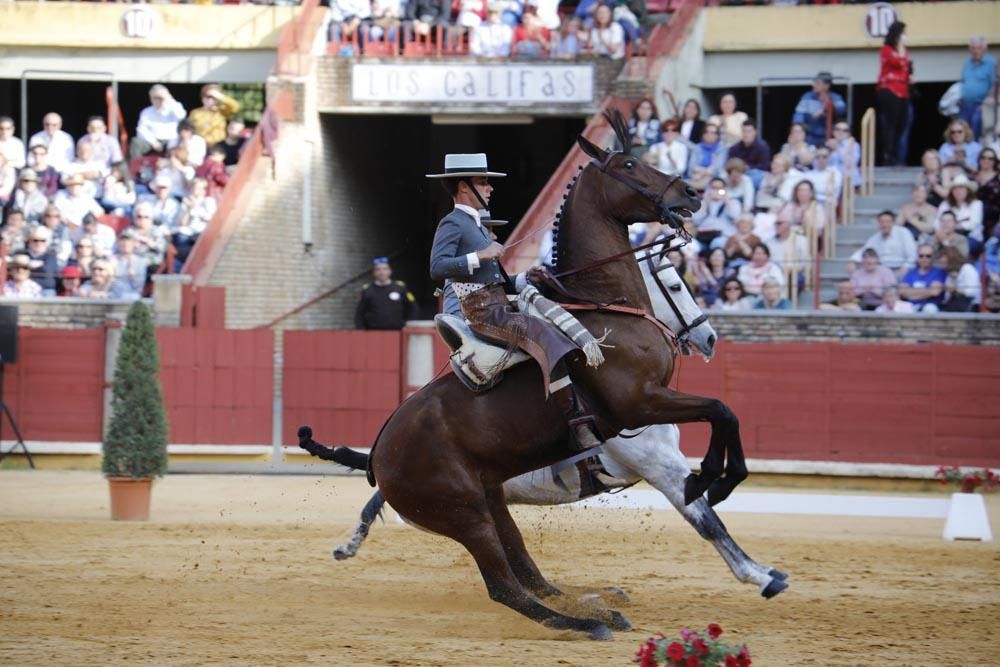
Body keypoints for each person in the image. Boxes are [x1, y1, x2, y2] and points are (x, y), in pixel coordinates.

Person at [426, 152, 605, 453]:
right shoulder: (453, 222)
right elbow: (437, 267)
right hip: (484, 312)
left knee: (552, 328)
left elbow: (496, 279)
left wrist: (526, 278)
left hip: (496, 305)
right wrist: (479, 256)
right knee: (548, 337)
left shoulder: (477, 225)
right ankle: (579, 426)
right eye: (483, 182)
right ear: (463, 186)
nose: (490, 188)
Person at [875, 22, 911, 166]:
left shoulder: (904, 51)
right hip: (889, 90)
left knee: (902, 124)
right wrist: (901, 47)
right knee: (891, 124)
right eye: (903, 33)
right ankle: (888, 155)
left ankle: (897, 155)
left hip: (903, 91)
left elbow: (906, 67)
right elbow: (899, 62)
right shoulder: (886, 49)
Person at [354, 257, 418, 329]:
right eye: (378, 270)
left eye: (385, 269)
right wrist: (361, 331)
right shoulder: (367, 290)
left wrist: (409, 325)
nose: (382, 272)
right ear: (373, 273)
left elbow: (413, 308)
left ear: (390, 271)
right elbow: (359, 313)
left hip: (397, 332)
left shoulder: (400, 288)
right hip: (373, 333)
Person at [849, 210, 917, 275]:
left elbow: (912, 256)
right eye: (882, 222)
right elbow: (865, 250)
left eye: (888, 222)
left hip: (901, 268)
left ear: (893, 223)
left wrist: (906, 267)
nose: (884, 225)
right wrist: (852, 261)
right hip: (882, 270)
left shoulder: (903, 233)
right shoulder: (875, 238)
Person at [130, 84, 187, 158]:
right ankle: (136, 168)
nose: (158, 100)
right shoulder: (146, 112)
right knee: (136, 142)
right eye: (155, 98)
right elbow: (141, 130)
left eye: (160, 97)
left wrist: (168, 99)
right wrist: (153, 142)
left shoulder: (175, 108)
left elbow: (182, 116)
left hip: (171, 141)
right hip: (152, 142)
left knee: (179, 143)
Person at [792, 71, 846, 148]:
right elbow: (798, 116)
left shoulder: (835, 98)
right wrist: (800, 128)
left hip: (829, 137)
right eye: (814, 82)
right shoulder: (807, 97)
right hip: (810, 137)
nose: (813, 84)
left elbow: (842, 110)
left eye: (817, 83)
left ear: (826, 86)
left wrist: (825, 108)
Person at [959, 36, 996, 140]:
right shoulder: (967, 63)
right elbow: (963, 81)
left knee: (975, 132)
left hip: (980, 105)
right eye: (973, 48)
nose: (975, 51)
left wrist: (985, 103)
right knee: (961, 132)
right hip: (965, 105)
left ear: (985, 49)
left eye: (978, 48)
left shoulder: (991, 63)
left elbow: (994, 84)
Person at [936, 174, 984, 252]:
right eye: (955, 189)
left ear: (968, 190)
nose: (958, 191)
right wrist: (941, 231)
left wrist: (953, 227)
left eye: (961, 188)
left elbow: (974, 224)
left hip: (970, 237)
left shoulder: (977, 204)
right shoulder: (945, 204)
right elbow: (937, 221)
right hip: (945, 235)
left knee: (957, 245)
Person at [898, 244, 947, 312]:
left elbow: (934, 292)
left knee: (930, 308)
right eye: (921, 256)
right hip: (911, 306)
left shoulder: (939, 272)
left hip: (931, 305)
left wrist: (912, 293)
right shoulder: (910, 272)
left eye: (928, 256)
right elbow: (902, 291)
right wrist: (926, 291)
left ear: (933, 257)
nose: (924, 259)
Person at [728, 120, 771, 189]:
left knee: (754, 176)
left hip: (755, 175)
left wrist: (748, 168)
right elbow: (730, 164)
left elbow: (764, 167)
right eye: (744, 131)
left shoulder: (762, 147)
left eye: (749, 131)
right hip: (738, 175)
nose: (746, 134)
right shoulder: (735, 148)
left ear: (755, 132)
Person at [688, 124, 727, 191]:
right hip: (696, 176)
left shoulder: (721, 149)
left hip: (713, 177)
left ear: (717, 136)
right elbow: (691, 166)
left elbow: (717, 168)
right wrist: (700, 173)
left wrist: (701, 174)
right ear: (703, 134)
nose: (709, 134)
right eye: (707, 132)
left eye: (712, 133)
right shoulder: (697, 147)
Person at [975, 148, 999, 240]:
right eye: (983, 157)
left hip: (994, 216)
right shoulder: (972, 176)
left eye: (990, 158)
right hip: (975, 215)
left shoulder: (998, 177)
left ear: (994, 161)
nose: (986, 160)